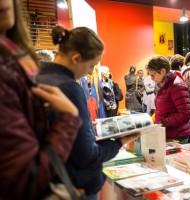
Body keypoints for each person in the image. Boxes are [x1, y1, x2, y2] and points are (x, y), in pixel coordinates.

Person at [36, 25, 140, 200]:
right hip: (73, 184)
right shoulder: (69, 87)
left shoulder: (37, 79)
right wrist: (118, 142)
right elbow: (87, 155)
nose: (91, 72)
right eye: (91, 65)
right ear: (76, 58)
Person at [0, 0, 82, 199]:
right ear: (77, 59)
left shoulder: (17, 63)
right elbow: (27, 178)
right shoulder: (8, 71)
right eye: (91, 67)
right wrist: (69, 117)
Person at [147, 55, 190, 144]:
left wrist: (164, 122)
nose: (151, 79)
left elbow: (186, 114)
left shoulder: (176, 85)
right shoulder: (163, 85)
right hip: (166, 133)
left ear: (163, 71)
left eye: (153, 75)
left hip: (177, 136)